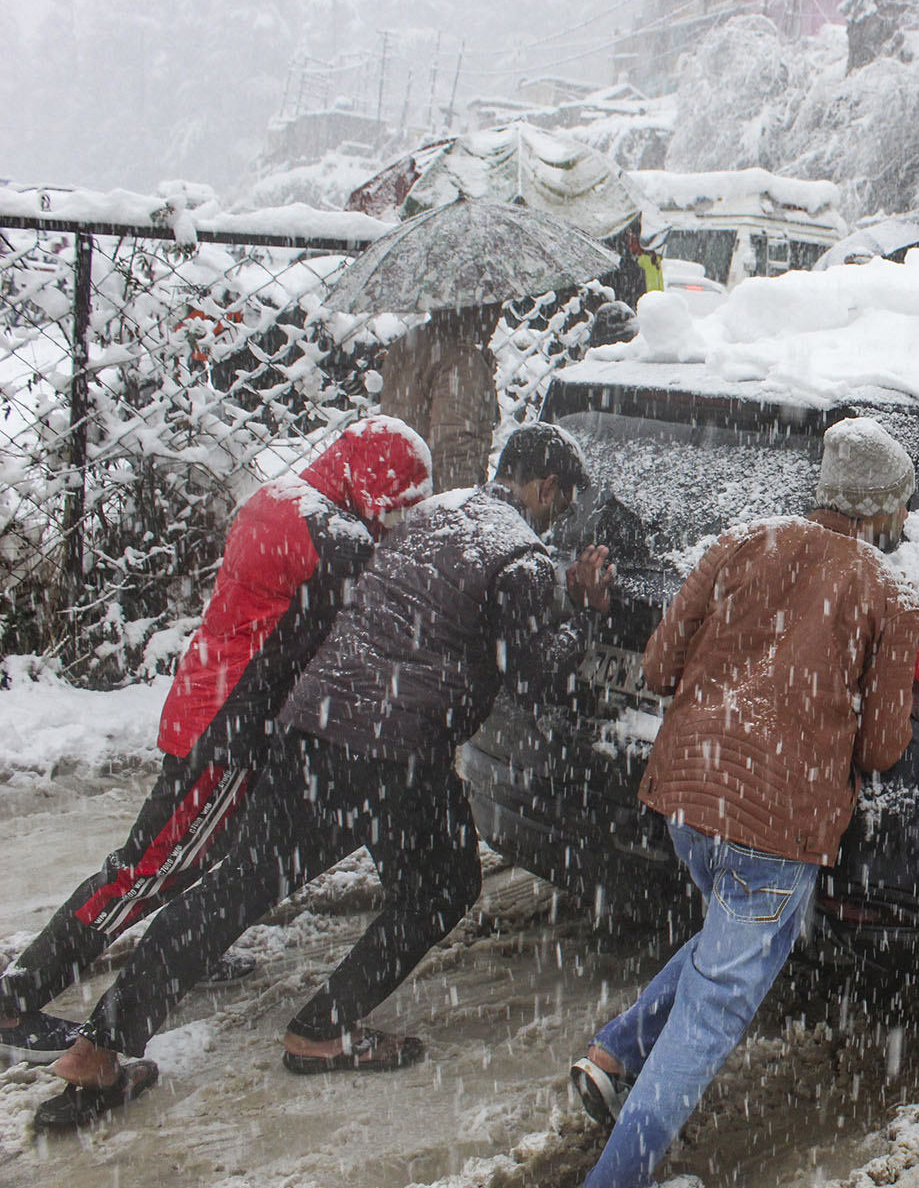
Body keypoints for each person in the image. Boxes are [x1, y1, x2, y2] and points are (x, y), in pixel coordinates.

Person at [33, 423, 613, 1132]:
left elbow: (450, 607)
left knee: (236, 889)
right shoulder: (518, 556)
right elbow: (536, 676)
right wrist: (582, 610)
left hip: (315, 724)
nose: (557, 521)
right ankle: (323, 1027)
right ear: (546, 488)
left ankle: (100, 1045)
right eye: (560, 504)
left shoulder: (434, 515)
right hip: (396, 750)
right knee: (444, 885)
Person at [564, 417, 919, 1188]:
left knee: (732, 941)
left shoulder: (740, 542)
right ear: (884, 508)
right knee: (719, 1003)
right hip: (779, 819)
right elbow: (881, 745)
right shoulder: (886, 591)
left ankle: (614, 1053)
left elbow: (658, 668)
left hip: (688, 794)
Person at [0, 419, 433, 1064]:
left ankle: (166, 954)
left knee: (191, 859)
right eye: (399, 501)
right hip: (229, 727)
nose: (399, 518)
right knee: (145, 871)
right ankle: (17, 1000)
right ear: (371, 482)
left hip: (206, 700)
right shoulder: (335, 536)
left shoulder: (281, 497)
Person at [377, 301, 506, 492]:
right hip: (437, 496)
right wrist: (460, 508)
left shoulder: (407, 345)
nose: (497, 317)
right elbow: (453, 448)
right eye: (494, 307)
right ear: (477, 309)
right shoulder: (461, 360)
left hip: (396, 488)